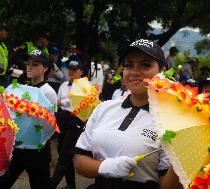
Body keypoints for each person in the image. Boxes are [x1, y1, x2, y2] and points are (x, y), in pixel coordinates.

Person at [74, 39, 180, 189]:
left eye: (145, 65)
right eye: (129, 65)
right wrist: (105, 166)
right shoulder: (103, 108)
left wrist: (179, 162)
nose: (135, 72)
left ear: (162, 72)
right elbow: (79, 161)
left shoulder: (170, 122)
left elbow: (166, 185)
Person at [0, 49, 57, 189]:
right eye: (29, 63)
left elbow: (49, 124)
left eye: (35, 64)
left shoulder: (49, 92)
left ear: (45, 68)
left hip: (37, 150)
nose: (29, 67)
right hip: (17, 146)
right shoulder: (22, 88)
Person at [50, 60, 85, 189]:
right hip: (63, 118)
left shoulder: (84, 85)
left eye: (74, 69)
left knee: (65, 153)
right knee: (62, 151)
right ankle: (71, 184)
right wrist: (64, 103)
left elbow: (75, 101)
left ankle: (52, 183)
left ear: (81, 71)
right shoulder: (64, 84)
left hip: (76, 120)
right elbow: (58, 102)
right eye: (70, 69)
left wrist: (63, 102)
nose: (71, 71)